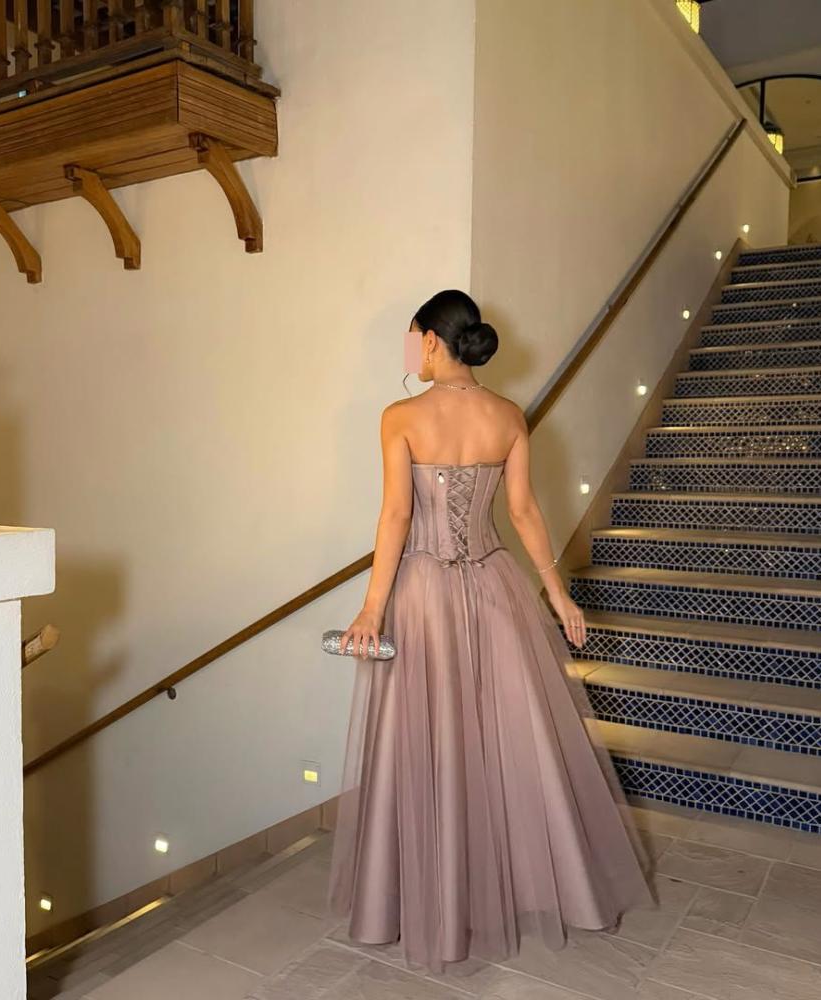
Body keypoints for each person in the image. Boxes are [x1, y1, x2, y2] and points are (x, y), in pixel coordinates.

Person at [326, 289, 658, 975]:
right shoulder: (508, 416)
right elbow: (525, 511)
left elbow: (396, 517)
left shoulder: (400, 416)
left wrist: (371, 608)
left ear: (430, 341)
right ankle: (531, 886)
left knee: (430, 738)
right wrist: (557, 592)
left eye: (412, 338)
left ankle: (433, 898)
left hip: (423, 594)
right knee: (506, 737)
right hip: (494, 586)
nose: (410, 350)